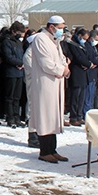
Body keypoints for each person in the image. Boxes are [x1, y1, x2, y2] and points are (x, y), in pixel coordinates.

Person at [29, 16, 70, 164]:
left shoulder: (54, 40)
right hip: (45, 83)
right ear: (51, 27)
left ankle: (53, 150)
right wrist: (61, 70)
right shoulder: (40, 39)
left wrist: (65, 67)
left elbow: (61, 58)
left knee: (53, 117)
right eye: (60, 28)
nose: (61, 31)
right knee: (45, 117)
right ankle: (44, 151)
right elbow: (46, 63)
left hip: (56, 82)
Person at [2, 21, 26, 128]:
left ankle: (17, 117)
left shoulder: (18, 42)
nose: (20, 35)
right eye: (19, 32)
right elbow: (8, 57)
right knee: (10, 97)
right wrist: (19, 63)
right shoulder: (7, 42)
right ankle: (10, 117)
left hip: (19, 73)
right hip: (11, 72)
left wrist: (23, 63)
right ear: (13, 31)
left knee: (17, 97)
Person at [67, 29, 92, 127]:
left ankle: (79, 115)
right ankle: (73, 117)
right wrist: (87, 63)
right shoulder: (73, 44)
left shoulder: (84, 45)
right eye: (84, 38)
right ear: (79, 35)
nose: (85, 40)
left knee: (82, 97)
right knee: (75, 97)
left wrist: (89, 64)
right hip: (77, 73)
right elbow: (78, 57)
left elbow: (88, 55)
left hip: (84, 73)